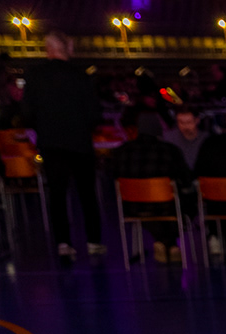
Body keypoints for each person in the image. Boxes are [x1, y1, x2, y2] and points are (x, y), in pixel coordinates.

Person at [22, 30, 105, 259]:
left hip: (51, 143)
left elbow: (27, 113)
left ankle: (63, 243)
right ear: (65, 48)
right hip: (80, 142)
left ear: (48, 49)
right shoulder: (81, 75)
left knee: (57, 195)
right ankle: (94, 240)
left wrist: (42, 127)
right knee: (87, 194)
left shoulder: (35, 76)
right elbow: (94, 113)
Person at [105, 111, 195, 264]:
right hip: (168, 206)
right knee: (183, 204)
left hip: (133, 207)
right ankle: (170, 244)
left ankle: (163, 242)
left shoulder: (121, 152)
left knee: (147, 209)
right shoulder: (170, 150)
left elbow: (110, 178)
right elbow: (187, 180)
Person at [166, 104, 208, 169]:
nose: (185, 126)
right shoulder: (168, 139)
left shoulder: (206, 140)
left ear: (197, 120)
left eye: (189, 122)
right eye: (181, 122)